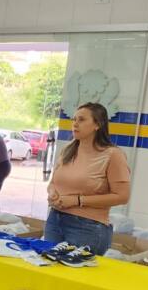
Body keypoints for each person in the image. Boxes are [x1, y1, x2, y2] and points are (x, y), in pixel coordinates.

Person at [44, 102, 131, 255]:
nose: (75, 124)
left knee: (75, 269)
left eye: (82, 120)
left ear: (97, 124)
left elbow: (122, 196)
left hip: (87, 227)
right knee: (49, 266)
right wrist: (52, 194)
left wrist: (78, 200)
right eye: (74, 119)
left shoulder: (113, 155)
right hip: (55, 220)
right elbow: (53, 183)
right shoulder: (68, 150)